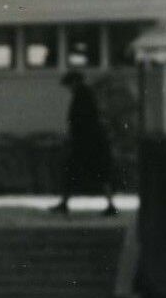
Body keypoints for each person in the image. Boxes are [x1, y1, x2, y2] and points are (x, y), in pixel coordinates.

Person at [51, 71, 119, 216]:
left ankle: (65, 203)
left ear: (75, 82)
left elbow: (80, 121)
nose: (68, 88)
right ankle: (110, 205)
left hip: (86, 143)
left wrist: (72, 137)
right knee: (100, 174)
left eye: (69, 84)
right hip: (92, 142)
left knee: (72, 171)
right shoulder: (85, 94)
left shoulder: (82, 96)